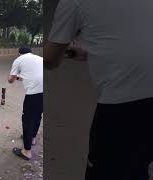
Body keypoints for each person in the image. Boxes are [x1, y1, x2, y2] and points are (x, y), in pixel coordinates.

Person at [45, 0, 153, 179]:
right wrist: (92, 51)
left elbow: (50, 59)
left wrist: (65, 50)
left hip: (123, 107)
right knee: (140, 165)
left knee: (107, 172)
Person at [9, 47, 43, 160]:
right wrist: (21, 77)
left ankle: (27, 152)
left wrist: (14, 77)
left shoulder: (19, 60)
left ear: (19, 54)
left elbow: (10, 80)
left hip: (34, 94)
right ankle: (32, 138)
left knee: (27, 120)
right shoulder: (39, 58)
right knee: (37, 115)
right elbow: (34, 75)